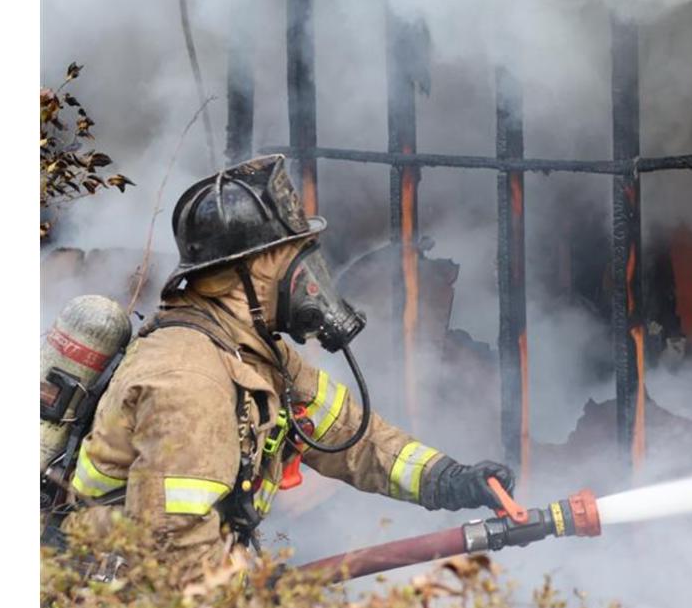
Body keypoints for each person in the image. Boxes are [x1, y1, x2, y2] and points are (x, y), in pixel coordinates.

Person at [63, 155, 514, 578]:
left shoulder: (252, 350)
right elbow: (175, 552)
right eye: (291, 255)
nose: (309, 275)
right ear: (246, 270)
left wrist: (446, 479)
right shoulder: (189, 381)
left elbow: (347, 433)